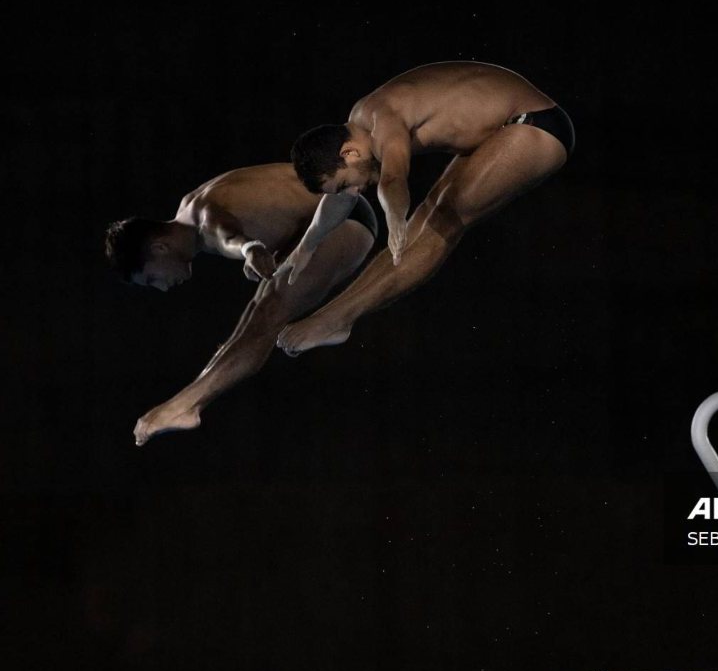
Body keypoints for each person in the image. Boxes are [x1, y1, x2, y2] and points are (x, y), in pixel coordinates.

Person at [275, 61, 573, 355]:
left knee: (443, 223)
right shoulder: (359, 124)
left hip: (534, 123)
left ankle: (333, 320)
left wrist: (394, 215)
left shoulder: (382, 120)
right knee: (431, 214)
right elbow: (339, 198)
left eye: (344, 184)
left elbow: (393, 178)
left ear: (348, 152)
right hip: (504, 127)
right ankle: (333, 319)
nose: (354, 193)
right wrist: (306, 245)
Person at [103, 163, 377, 445]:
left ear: (159, 248)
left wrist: (249, 249)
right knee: (254, 316)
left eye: (151, 279)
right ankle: (188, 402)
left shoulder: (204, 219)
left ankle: (186, 405)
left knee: (268, 315)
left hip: (343, 216)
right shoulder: (189, 206)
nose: (161, 288)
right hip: (319, 220)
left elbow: (226, 235)